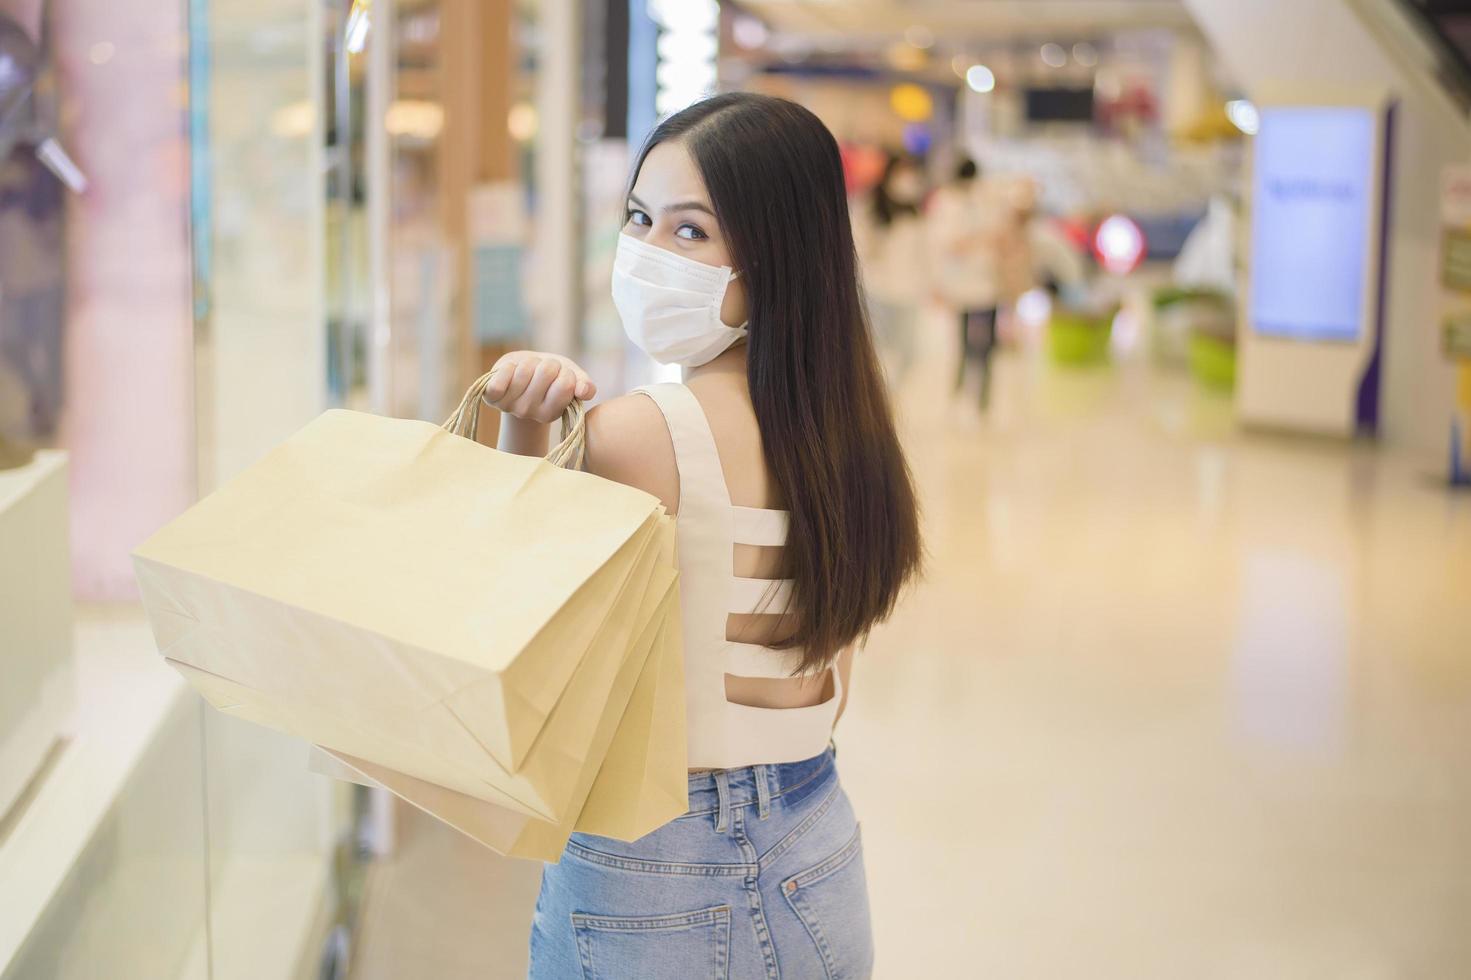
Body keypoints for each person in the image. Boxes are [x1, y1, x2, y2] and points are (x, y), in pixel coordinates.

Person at [481, 92, 921, 980]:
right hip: (815, 835)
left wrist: (525, 427)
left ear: (772, 260)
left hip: (656, 855)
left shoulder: (640, 433)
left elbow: (503, 608)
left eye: (690, 234)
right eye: (639, 219)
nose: (644, 254)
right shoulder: (846, 433)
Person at [929, 157, 1005, 409]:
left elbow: (997, 235)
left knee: (985, 347)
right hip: (963, 285)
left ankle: (980, 399)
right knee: (965, 344)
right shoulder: (948, 202)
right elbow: (949, 244)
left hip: (987, 284)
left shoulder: (985, 198)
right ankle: (960, 395)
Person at [851, 151, 929, 389]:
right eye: (903, 171)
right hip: (878, 290)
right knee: (876, 350)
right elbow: (860, 246)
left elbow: (925, 251)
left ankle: (891, 393)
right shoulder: (870, 208)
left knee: (909, 352)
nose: (907, 178)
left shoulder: (917, 211)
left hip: (909, 291)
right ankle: (876, 396)